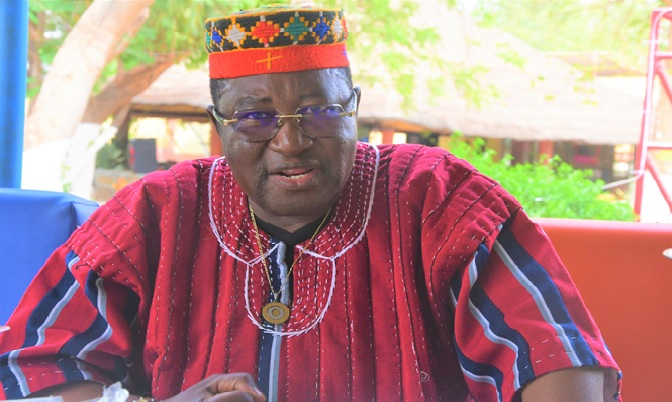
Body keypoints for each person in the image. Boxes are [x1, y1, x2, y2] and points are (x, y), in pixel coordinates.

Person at [0, 4, 620, 402]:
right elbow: (35, 367)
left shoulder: (439, 201)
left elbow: (559, 362)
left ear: (354, 109)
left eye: (319, 110)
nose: (291, 141)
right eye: (255, 116)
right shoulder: (156, 214)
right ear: (218, 125)